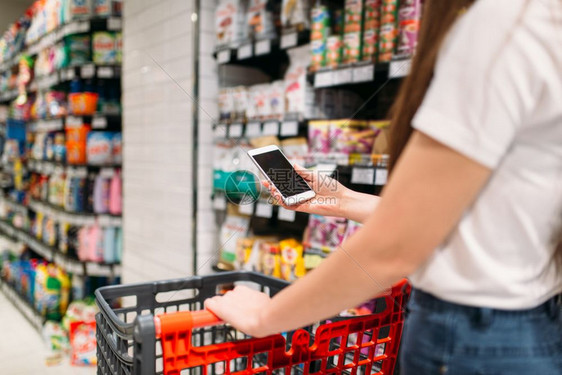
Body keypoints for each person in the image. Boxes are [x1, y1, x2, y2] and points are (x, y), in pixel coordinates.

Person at [205, 0, 562, 373]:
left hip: (468, 338)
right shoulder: (542, 19)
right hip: (530, 326)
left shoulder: (501, 23)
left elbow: (397, 247)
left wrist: (267, 315)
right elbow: (473, 218)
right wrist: (342, 198)